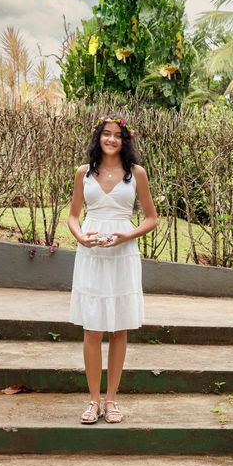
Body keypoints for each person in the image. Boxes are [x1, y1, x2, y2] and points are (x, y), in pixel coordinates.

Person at [68, 115, 158, 424]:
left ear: (125, 141)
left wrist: (127, 235)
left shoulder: (136, 174)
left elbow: (151, 218)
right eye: (106, 134)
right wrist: (81, 237)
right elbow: (73, 216)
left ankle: (112, 400)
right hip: (91, 255)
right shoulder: (84, 173)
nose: (111, 139)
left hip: (123, 254)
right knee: (92, 328)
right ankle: (93, 401)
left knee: (119, 327)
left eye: (117, 135)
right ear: (98, 138)